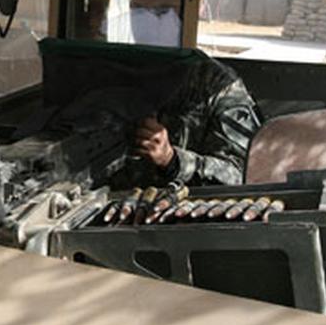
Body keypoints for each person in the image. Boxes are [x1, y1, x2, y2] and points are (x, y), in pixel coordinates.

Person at [104, 53, 261, 224]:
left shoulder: (214, 83)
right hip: (115, 211)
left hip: (190, 219)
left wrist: (172, 160)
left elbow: (239, 176)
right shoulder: (104, 70)